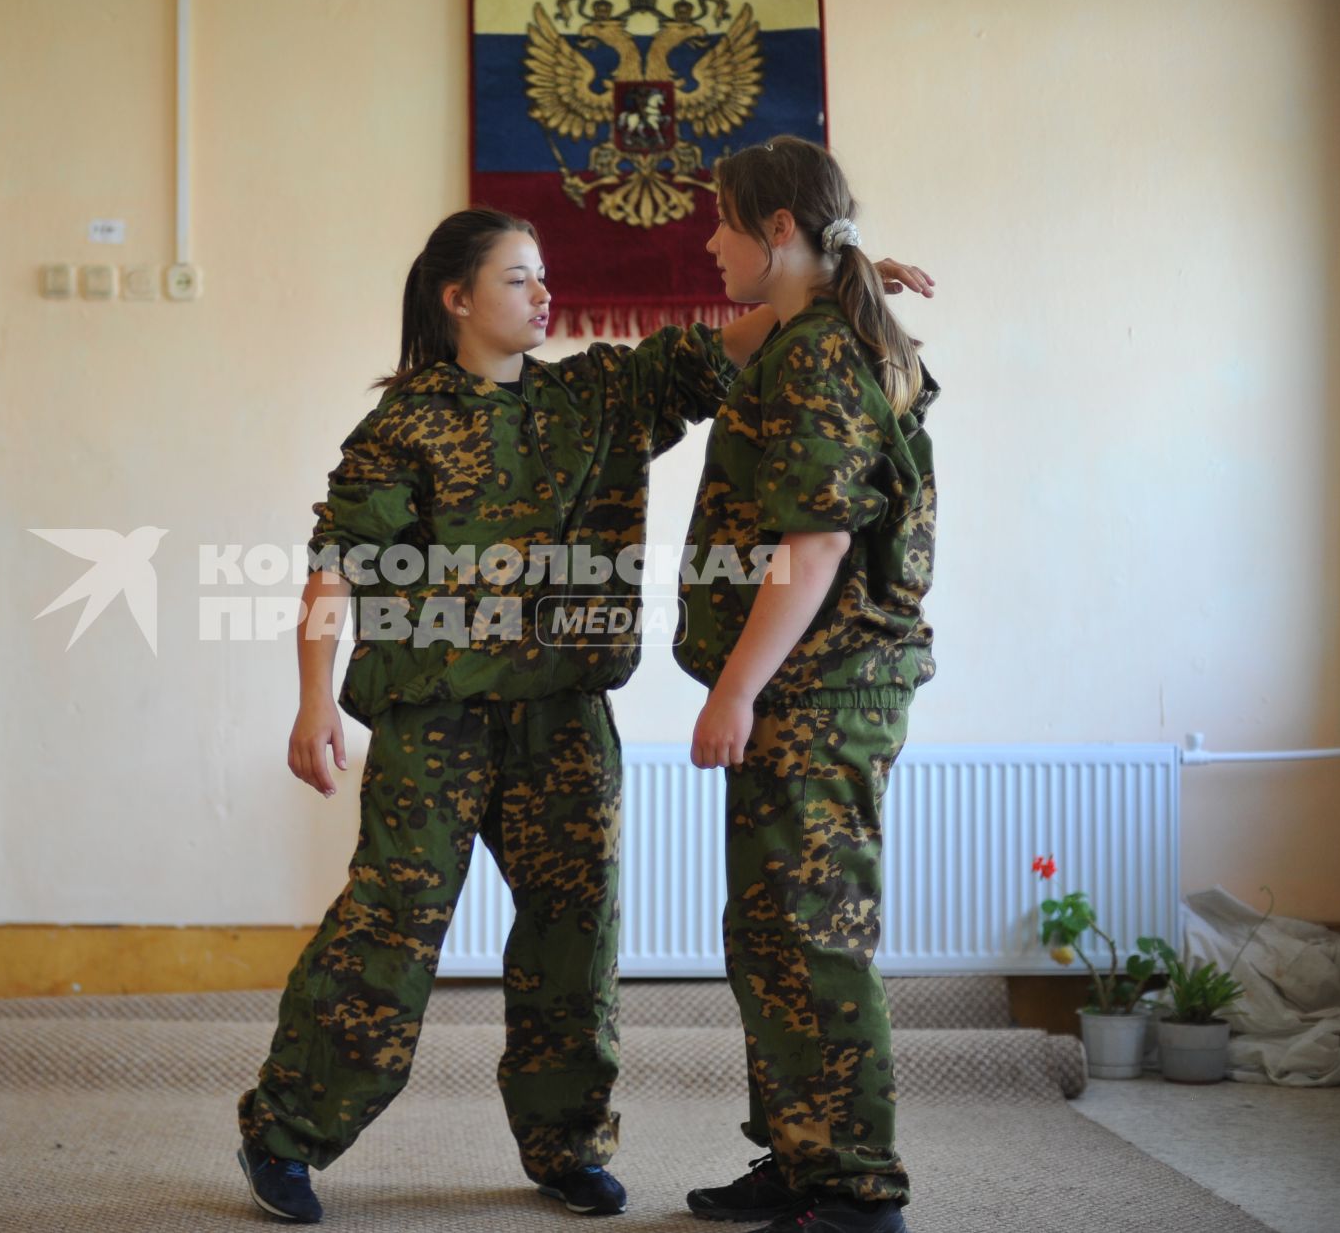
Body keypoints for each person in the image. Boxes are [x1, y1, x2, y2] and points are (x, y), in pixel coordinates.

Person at [236, 205, 931, 1224]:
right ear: (457, 298)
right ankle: (285, 1130)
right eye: (518, 278)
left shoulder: (601, 395)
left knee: (575, 934)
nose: (542, 293)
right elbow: (338, 563)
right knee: (392, 925)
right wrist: (310, 701)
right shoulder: (406, 422)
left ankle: (566, 1143)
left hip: (564, 717)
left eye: (543, 276)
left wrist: (837, 282)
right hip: (438, 720)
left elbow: (741, 336)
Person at [675, 136, 939, 1233]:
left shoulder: (823, 353)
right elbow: (743, 330)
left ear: (778, 229)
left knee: (812, 934)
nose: (708, 240)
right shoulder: (809, 328)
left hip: (817, 689)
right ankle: (799, 1151)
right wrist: (848, 268)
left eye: (725, 223)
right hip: (811, 687)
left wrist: (733, 690)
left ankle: (855, 1185)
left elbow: (817, 540)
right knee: (773, 933)